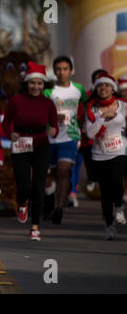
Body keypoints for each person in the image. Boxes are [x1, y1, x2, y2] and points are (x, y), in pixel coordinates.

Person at [2, 62, 58, 241]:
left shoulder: (48, 103)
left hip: (41, 143)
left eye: (39, 83)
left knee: (39, 186)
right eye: (32, 83)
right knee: (25, 185)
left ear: (44, 85)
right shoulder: (16, 100)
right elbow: (5, 122)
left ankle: (35, 227)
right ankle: (22, 202)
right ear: (27, 83)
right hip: (21, 143)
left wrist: (54, 130)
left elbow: (55, 124)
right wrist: (11, 133)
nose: (36, 86)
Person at [43, 56, 88, 224]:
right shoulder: (48, 91)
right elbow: (40, 112)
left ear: (71, 71)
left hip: (70, 136)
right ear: (54, 71)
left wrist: (85, 124)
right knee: (51, 175)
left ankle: (59, 208)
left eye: (65, 69)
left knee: (63, 171)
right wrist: (52, 119)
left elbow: (89, 105)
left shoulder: (78, 89)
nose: (62, 72)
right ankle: (51, 200)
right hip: (50, 138)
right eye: (59, 69)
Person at [86, 73, 126, 240]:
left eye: (107, 86)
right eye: (100, 86)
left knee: (117, 181)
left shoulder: (123, 105)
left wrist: (115, 115)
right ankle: (109, 226)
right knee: (105, 192)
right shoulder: (92, 109)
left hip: (120, 150)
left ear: (113, 89)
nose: (104, 88)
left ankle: (119, 207)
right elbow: (90, 133)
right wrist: (102, 118)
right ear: (96, 89)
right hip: (100, 154)